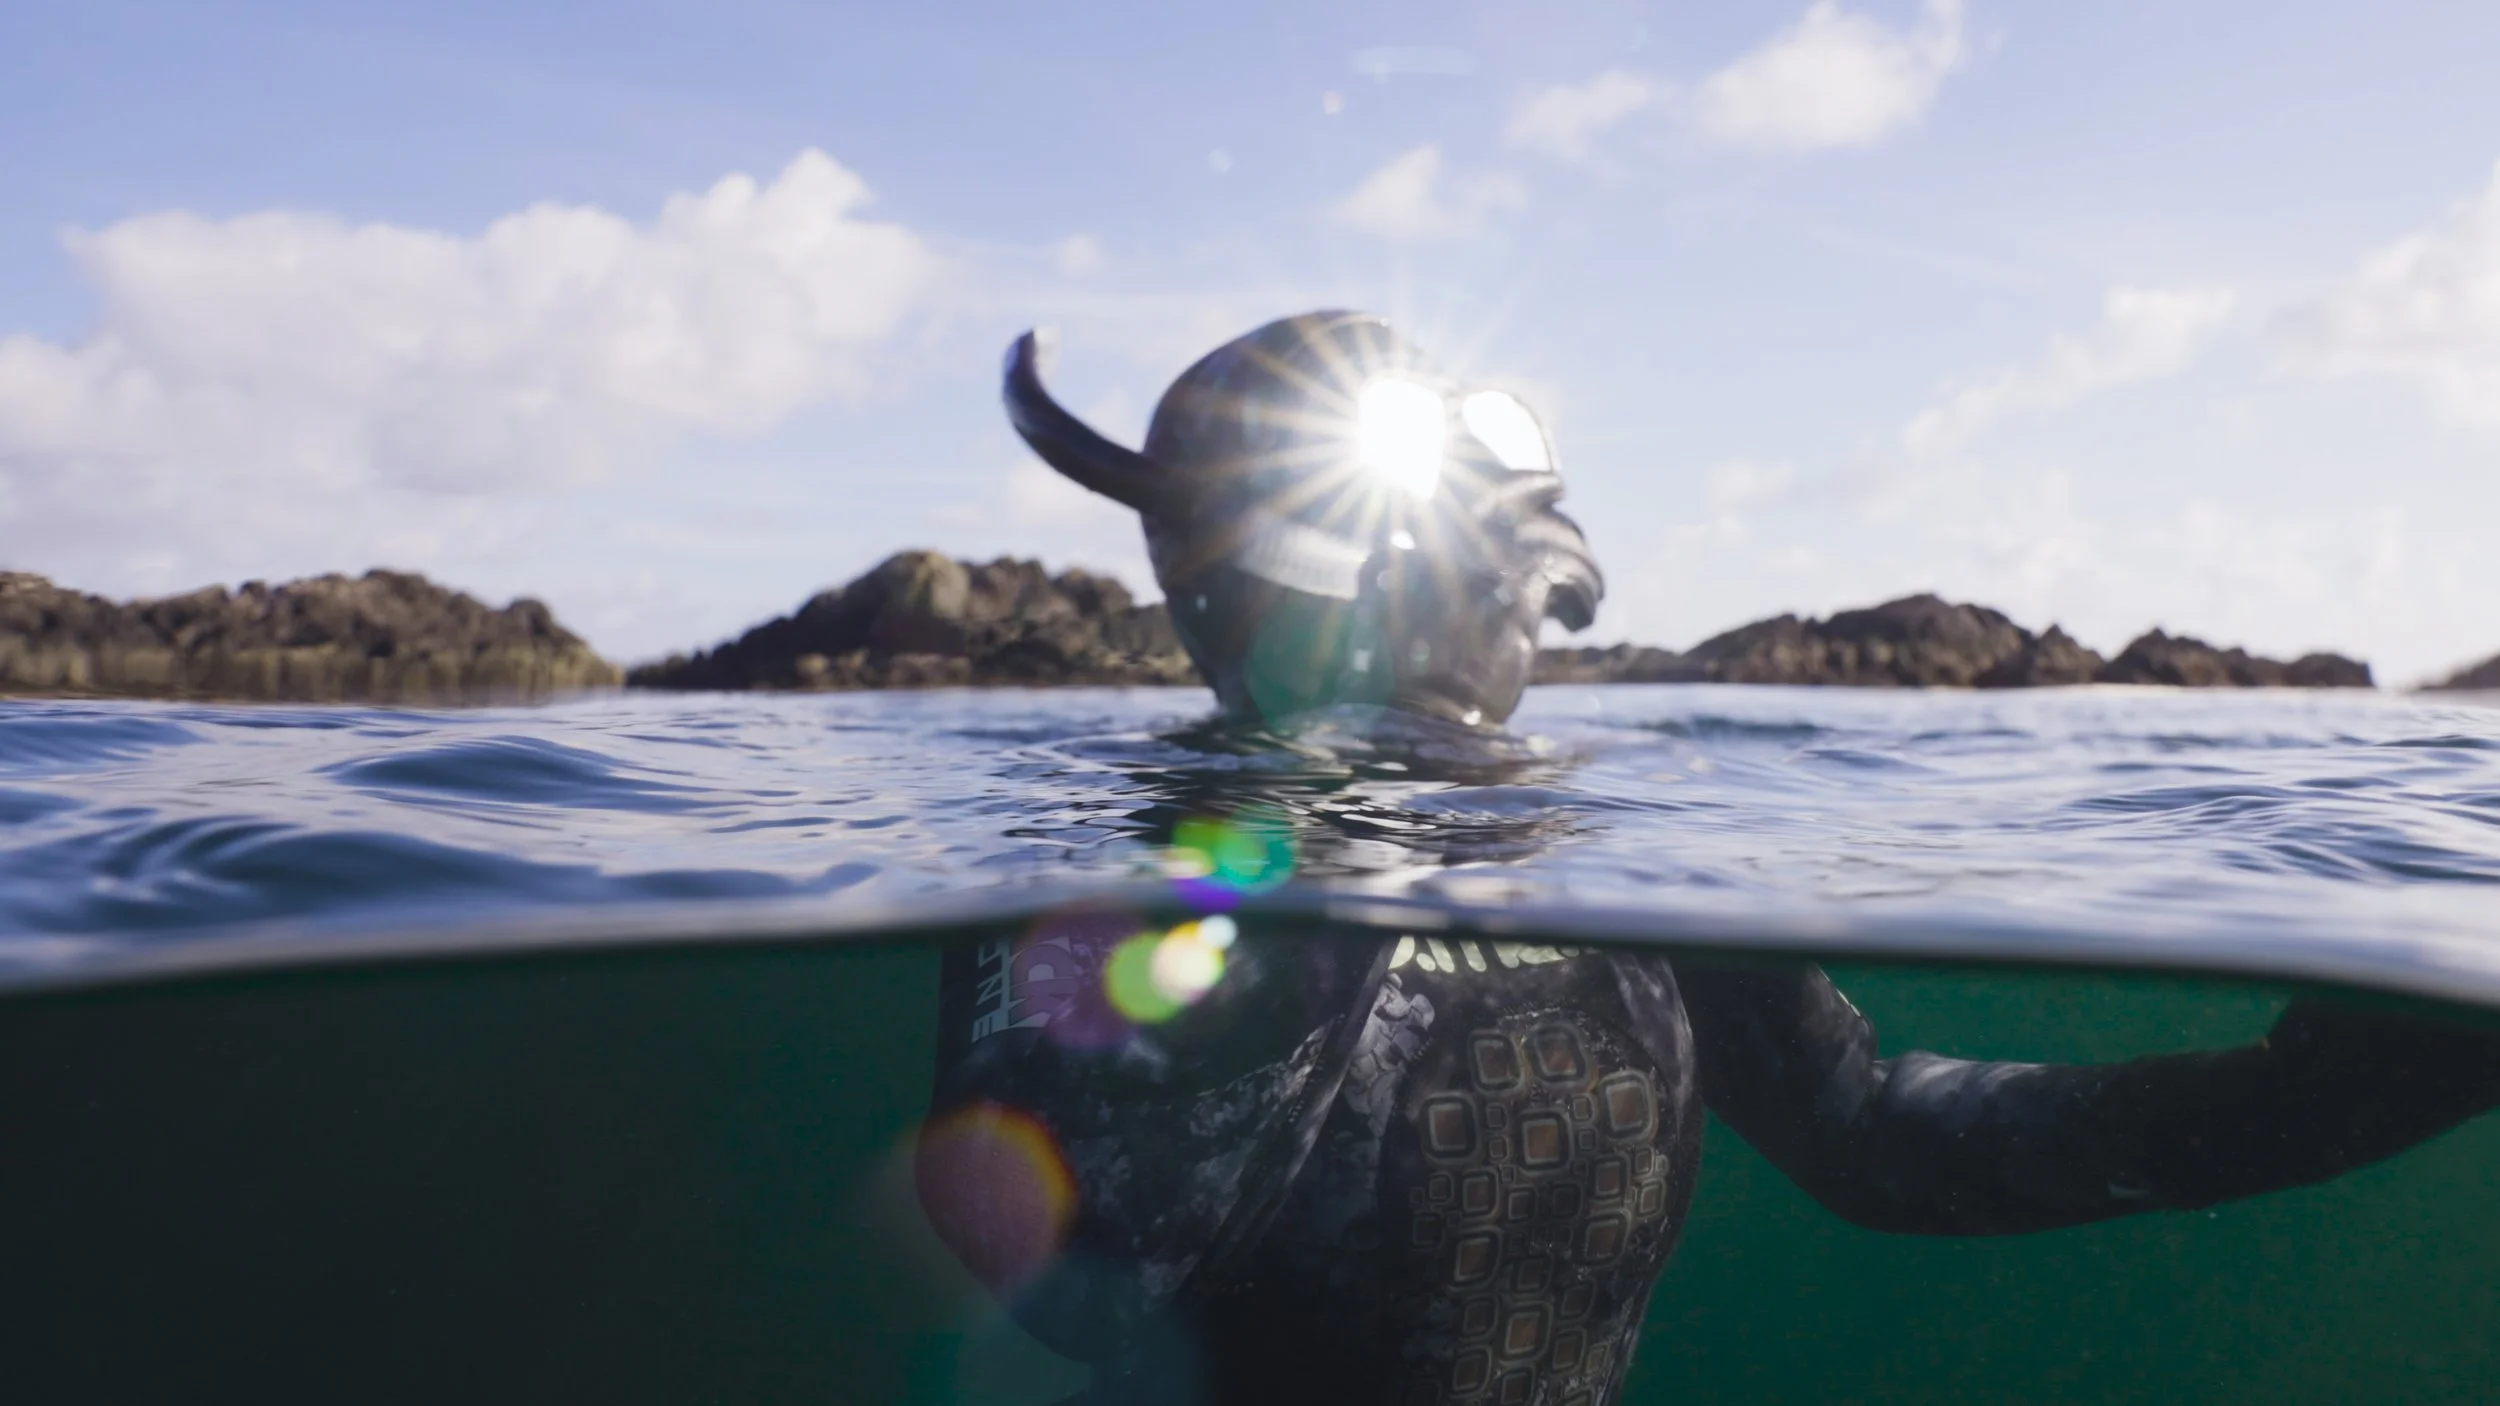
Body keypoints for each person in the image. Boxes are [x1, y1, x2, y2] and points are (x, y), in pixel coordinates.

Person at [917, 312, 2500, 1406]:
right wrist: (1376, 768)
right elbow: (1081, 1265)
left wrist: (2329, 1097)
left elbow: (1878, 1129)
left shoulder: (1606, 835)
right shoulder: (1129, 862)